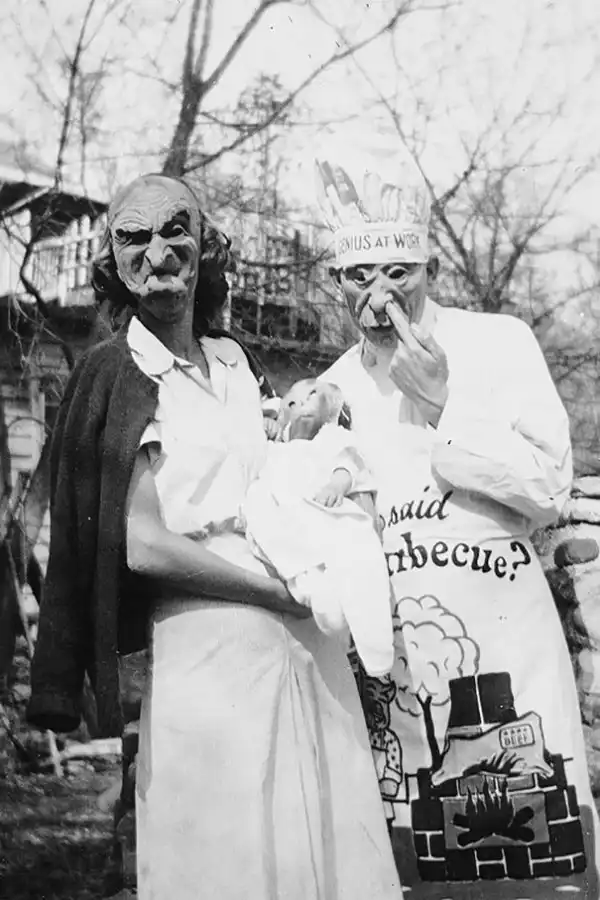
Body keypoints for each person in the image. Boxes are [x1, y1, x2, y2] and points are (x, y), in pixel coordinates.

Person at [27, 173, 403, 900]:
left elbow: (285, 468)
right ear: (113, 259)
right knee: (229, 861)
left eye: (177, 230)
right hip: (211, 655)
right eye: (134, 236)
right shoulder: (117, 372)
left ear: (206, 246)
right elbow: (143, 544)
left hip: (308, 647)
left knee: (327, 853)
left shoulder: (234, 360)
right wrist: (277, 592)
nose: (158, 252)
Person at [315, 149, 600, 898]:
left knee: (531, 865)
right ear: (337, 281)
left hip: (508, 652)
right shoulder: (335, 385)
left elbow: (549, 487)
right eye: (358, 277)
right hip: (400, 672)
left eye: (398, 274)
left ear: (431, 268)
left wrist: (445, 405)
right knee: (421, 872)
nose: (379, 297)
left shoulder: (499, 341)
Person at [243, 377, 394, 677]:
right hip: (287, 512)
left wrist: (337, 485)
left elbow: (347, 465)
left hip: (323, 506)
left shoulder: (330, 438)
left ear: (330, 414)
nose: (302, 404)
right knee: (268, 525)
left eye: (313, 396)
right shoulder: (275, 446)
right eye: (292, 402)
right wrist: (266, 424)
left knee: (358, 544)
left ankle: (376, 638)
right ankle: (315, 592)